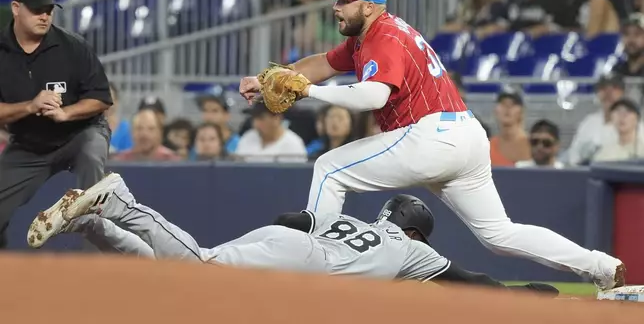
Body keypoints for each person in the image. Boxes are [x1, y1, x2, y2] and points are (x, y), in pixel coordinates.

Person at [238, 0, 625, 290]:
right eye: (336, 0)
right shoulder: (368, 37)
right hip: (463, 135)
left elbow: (373, 96)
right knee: (500, 235)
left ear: (369, 6)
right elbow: (323, 61)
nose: (336, 8)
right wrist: (267, 77)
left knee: (329, 168)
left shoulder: (384, 36)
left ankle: (316, 272)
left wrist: (312, 92)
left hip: (431, 135)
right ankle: (602, 266)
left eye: (343, 1)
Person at [27, 173, 558, 296]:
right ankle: (119, 201)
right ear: (417, 231)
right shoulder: (411, 251)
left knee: (190, 269)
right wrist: (528, 294)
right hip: (312, 265)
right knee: (198, 270)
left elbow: (289, 219)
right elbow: (470, 279)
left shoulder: (352, 219)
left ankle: (91, 221)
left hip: (295, 240)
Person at [0, 0, 112, 249]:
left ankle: (95, 245)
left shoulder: (72, 46)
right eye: (37, 9)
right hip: (29, 145)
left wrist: (67, 113)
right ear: (16, 8)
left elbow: (100, 97)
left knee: (92, 149)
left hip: (79, 132)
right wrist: (29, 106)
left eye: (49, 10)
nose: (44, 16)